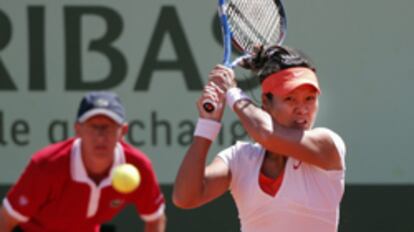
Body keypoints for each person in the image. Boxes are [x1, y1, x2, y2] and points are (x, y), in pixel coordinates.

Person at [173, 45, 346, 232]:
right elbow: (186, 198)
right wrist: (207, 125)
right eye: (290, 99)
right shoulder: (239, 158)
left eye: (310, 99)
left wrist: (233, 93)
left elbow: (266, 134)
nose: (302, 109)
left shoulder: (328, 145)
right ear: (265, 102)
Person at [0, 91, 166, 232]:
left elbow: (155, 219)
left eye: (108, 126)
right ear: (78, 129)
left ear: (123, 131)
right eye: (93, 126)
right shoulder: (46, 165)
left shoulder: (139, 166)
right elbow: (5, 221)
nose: (100, 136)